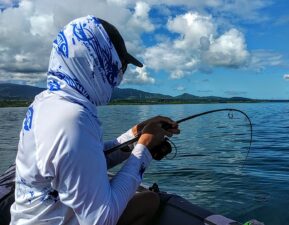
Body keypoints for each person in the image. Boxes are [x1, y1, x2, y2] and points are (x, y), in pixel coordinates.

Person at [10, 15, 179, 225]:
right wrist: (144, 148)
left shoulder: (48, 102)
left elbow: (88, 158)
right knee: (149, 201)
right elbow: (101, 219)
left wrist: (134, 135)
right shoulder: (70, 120)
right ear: (95, 63)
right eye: (119, 67)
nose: (119, 78)